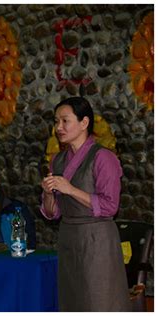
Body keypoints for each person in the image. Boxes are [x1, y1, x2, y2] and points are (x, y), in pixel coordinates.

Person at [40, 96, 130, 312]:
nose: (58, 127)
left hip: (96, 239)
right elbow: (53, 213)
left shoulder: (103, 157)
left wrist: (70, 189)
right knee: (72, 302)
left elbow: (110, 206)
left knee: (99, 301)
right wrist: (49, 194)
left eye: (65, 121)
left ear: (84, 123)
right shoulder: (58, 160)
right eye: (56, 122)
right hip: (69, 238)